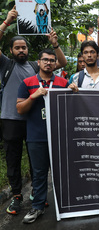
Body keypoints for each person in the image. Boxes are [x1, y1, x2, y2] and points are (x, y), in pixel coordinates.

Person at [0, 6, 67, 215]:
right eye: (17, 47)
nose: (21, 50)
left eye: (24, 48)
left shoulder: (34, 67)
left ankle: (35, 195)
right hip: (11, 118)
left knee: (35, 160)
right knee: (13, 159)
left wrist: (55, 44)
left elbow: (62, 62)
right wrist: (6, 23)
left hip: (33, 121)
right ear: (11, 50)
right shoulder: (5, 64)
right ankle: (17, 196)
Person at [16, 48, 72, 223]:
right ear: (38, 62)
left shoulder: (63, 82)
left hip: (60, 136)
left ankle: (68, 207)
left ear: (56, 63)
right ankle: (38, 207)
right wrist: (34, 96)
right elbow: (19, 109)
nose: (48, 62)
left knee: (64, 172)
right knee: (39, 174)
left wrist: (74, 92)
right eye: (45, 59)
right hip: (37, 137)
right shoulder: (27, 82)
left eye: (52, 60)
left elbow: (73, 108)